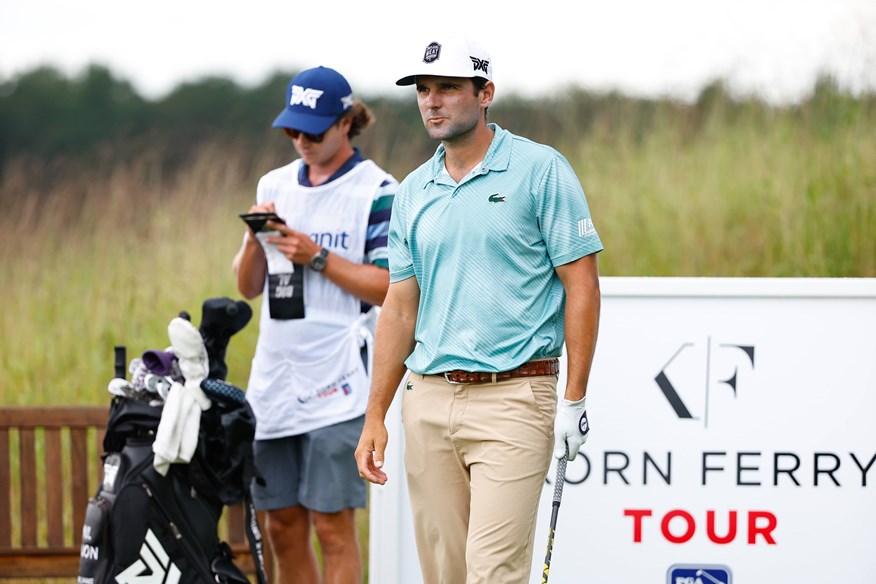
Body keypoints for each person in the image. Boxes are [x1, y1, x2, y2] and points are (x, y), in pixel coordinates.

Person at [354, 33, 603, 584]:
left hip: (517, 396)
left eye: (448, 88)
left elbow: (581, 283)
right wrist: (376, 414)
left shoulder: (541, 169)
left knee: (493, 572)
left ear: (485, 92)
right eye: (423, 90)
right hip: (429, 399)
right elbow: (400, 307)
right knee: (444, 574)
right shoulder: (414, 190)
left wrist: (574, 398)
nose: (432, 102)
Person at [235, 65, 397, 584]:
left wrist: (316, 255)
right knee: (280, 524)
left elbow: (389, 286)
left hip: (341, 380)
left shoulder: (379, 190)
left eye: (314, 130)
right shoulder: (274, 184)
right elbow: (247, 287)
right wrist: (255, 238)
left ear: (347, 122)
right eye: (293, 131)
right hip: (276, 376)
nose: (302, 141)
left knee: (331, 526)